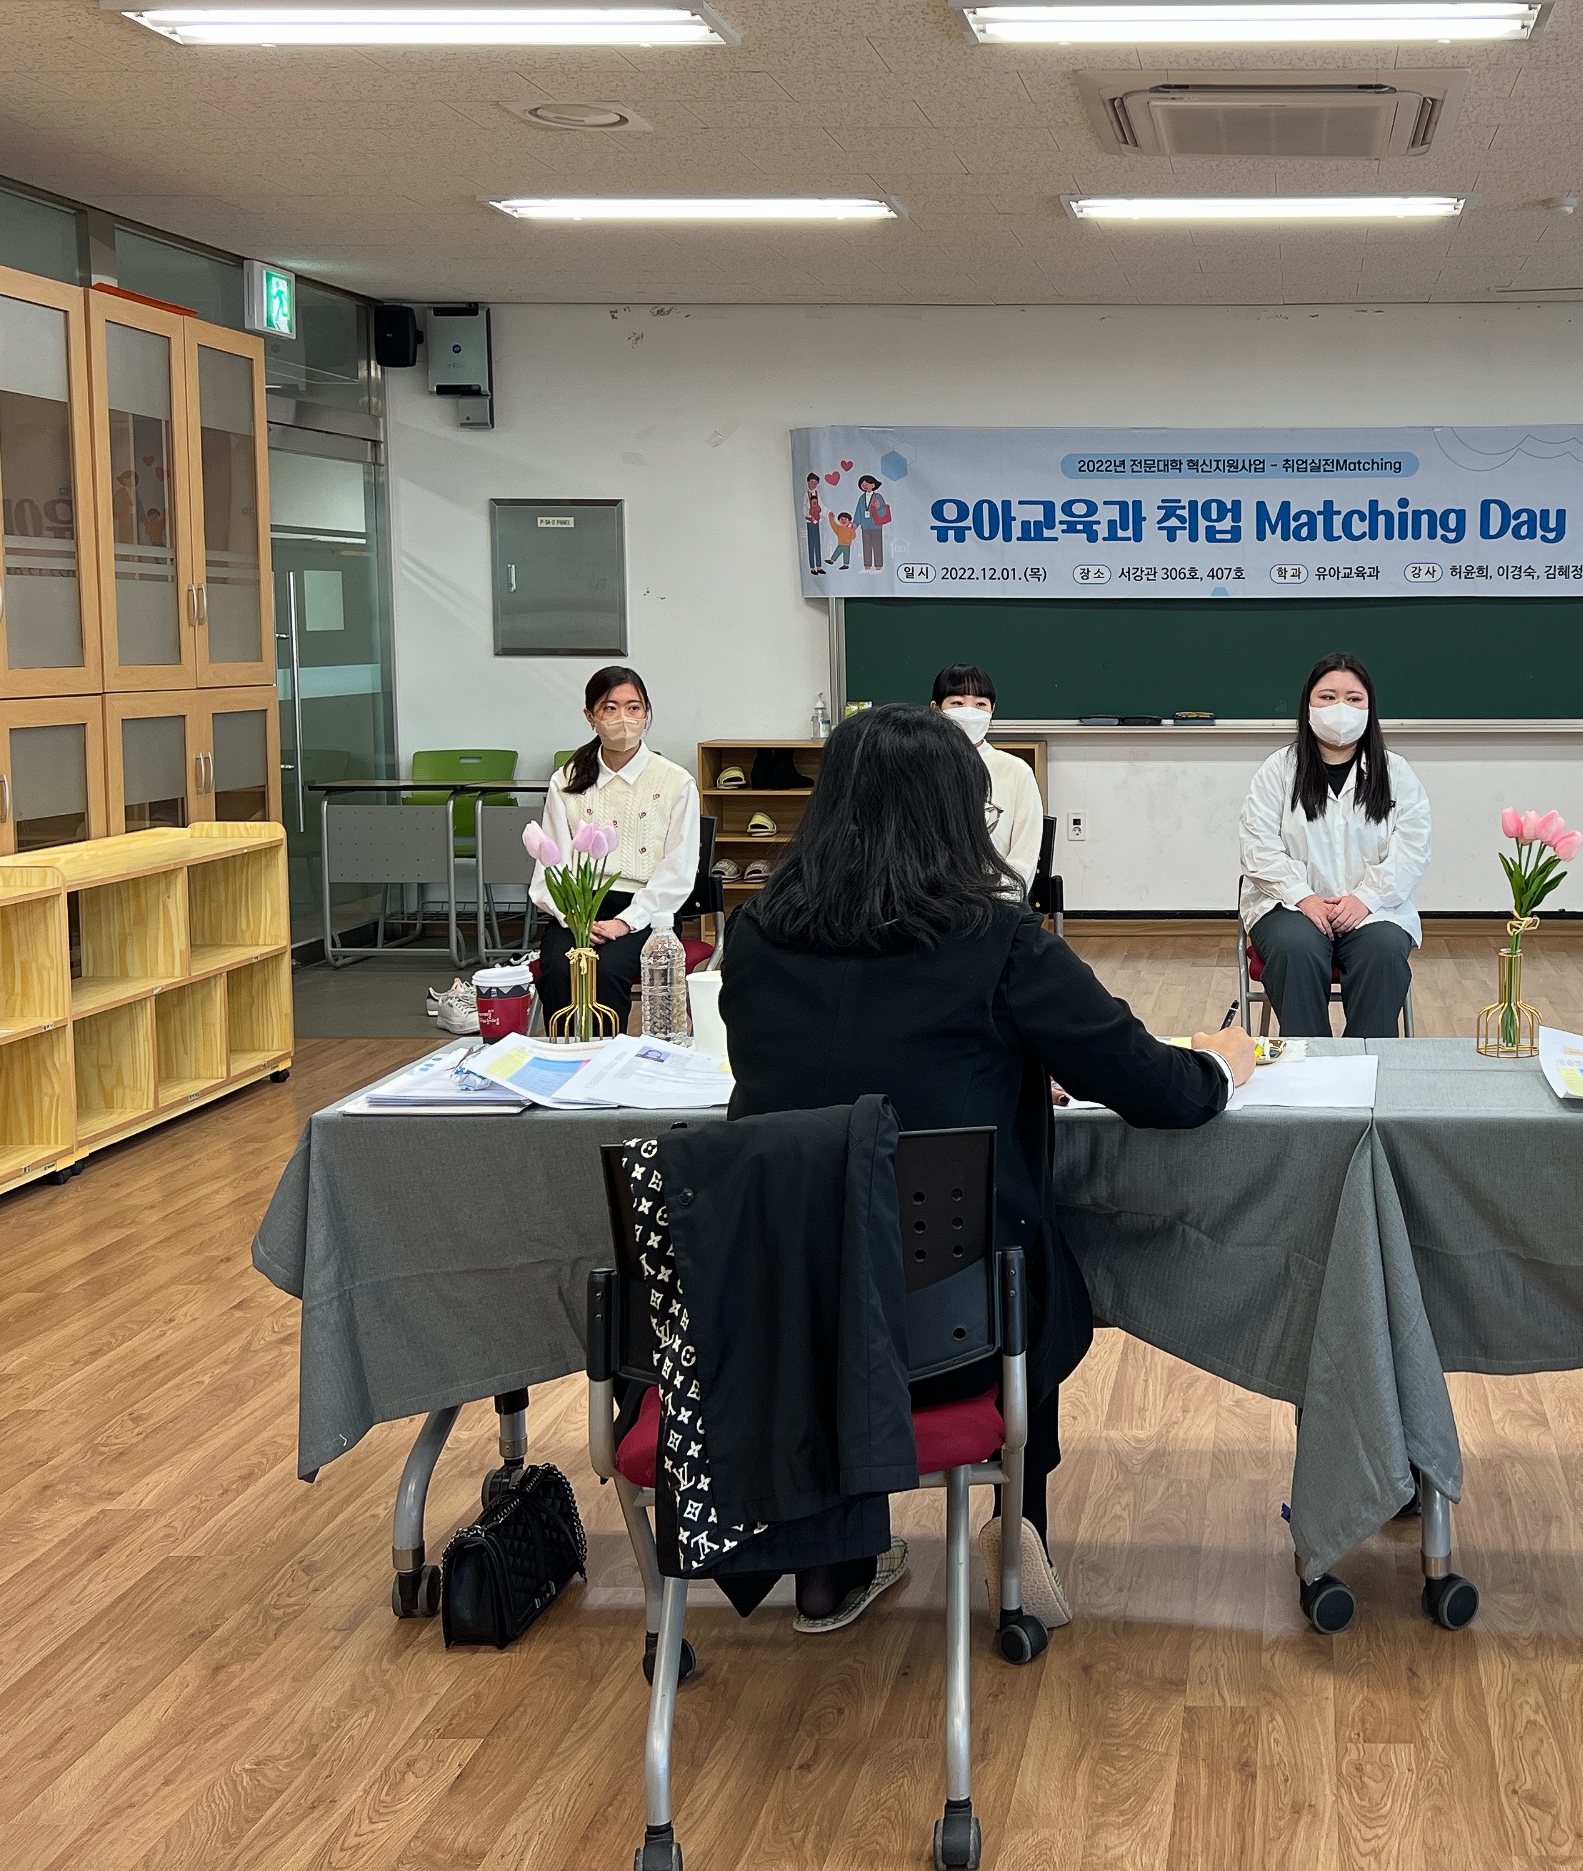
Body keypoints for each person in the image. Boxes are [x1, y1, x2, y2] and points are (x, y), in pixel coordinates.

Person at [720, 705, 1254, 1629]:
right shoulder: (1001, 943)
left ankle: (829, 1565)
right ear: (956, 817)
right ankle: (1018, 1527)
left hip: (785, 1323)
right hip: (953, 1335)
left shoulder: (757, 935)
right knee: (1019, 1256)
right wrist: (1220, 1063)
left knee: (842, 1227)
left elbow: (824, 1074)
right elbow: (1154, 1088)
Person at [1238, 652, 1431, 1037]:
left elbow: (1412, 849)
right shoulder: (1278, 769)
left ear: (1369, 707)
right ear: (1308, 705)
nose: (1341, 708)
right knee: (1296, 949)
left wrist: (1366, 898)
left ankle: (1368, 1061)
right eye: (1328, 697)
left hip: (1374, 908)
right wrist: (1305, 898)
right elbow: (1257, 846)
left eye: (1354, 698)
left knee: (1383, 952)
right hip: (1287, 906)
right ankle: (1310, 1060)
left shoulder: (1396, 772)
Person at [528, 665, 701, 1034]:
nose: (623, 718)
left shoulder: (676, 782)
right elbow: (550, 862)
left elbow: (678, 869)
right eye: (610, 708)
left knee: (606, 971)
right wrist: (572, 916)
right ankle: (565, 1060)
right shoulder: (567, 779)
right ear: (591, 717)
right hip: (578, 906)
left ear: (646, 713)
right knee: (560, 969)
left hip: (649, 911)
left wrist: (626, 921)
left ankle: (607, 1063)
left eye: (633, 707)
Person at [933, 660, 1043, 890]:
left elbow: (1024, 858)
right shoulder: (920, 768)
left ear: (992, 710)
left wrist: (999, 900)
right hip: (932, 900)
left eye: (980, 704)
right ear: (936, 709)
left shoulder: (1016, 771)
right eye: (957, 703)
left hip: (996, 898)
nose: (969, 712)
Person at [857, 473, 891, 572]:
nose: (864, 486)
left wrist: (878, 507)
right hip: (865, 526)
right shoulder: (862, 498)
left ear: (873, 485)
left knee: (877, 546)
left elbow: (883, 511)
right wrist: (855, 523)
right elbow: (858, 511)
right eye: (862, 485)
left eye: (866, 484)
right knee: (866, 546)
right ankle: (867, 566)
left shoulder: (877, 497)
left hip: (876, 525)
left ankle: (878, 566)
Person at [804, 471, 824, 574]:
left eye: (816, 483)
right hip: (810, 522)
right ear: (808, 482)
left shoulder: (817, 494)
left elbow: (821, 506)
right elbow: (804, 508)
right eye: (812, 482)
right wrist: (809, 516)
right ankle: (812, 567)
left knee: (817, 543)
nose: (814, 484)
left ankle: (819, 566)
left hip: (817, 521)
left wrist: (825, 512)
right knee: (811, 544)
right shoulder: (806, 495)